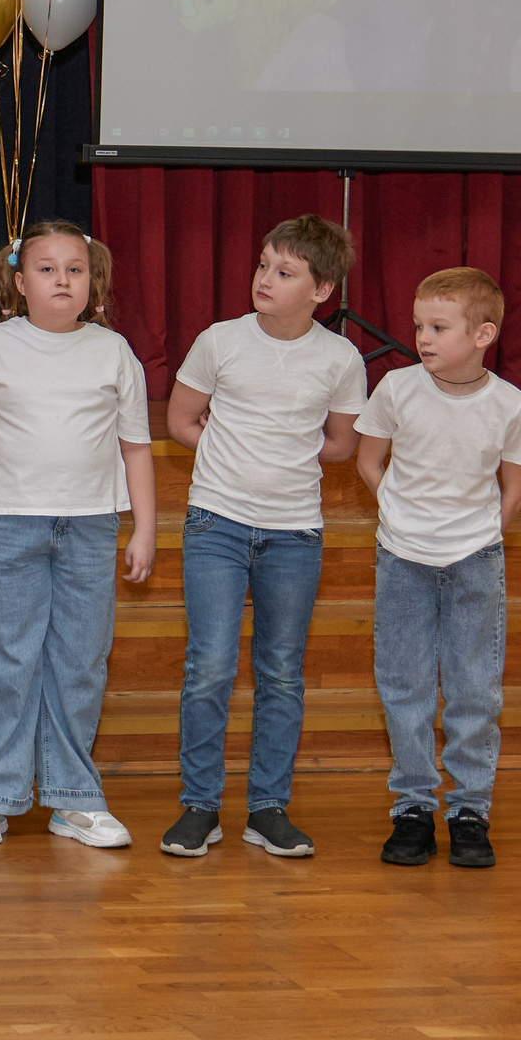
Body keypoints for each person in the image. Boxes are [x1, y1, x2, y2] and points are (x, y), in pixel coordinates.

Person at [159, 215, 366, 861]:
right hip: (215, 523)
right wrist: (230, 452)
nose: (265, 279)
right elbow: (180, 420)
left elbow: (339, 445)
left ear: (321, 289)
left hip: (294, 534)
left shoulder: (341, 358)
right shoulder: (219, 341)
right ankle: (199, 806)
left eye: (284, 271)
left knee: (280, 672)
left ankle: (268, 808)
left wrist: (281, 457)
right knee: (210, 666)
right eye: (262, 264)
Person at [0, 220, 156, 850]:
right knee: (8, 659)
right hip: (11, 524)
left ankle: (74, 798)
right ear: (19, 282)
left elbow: (136, 448)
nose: (61, 279)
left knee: (79, 663)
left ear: (92, 283)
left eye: (75, 268)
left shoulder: (112, 352)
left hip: (92, 527)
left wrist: (145, 526)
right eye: (46, 268)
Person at [355, 266, 521, 870]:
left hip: (474, 561)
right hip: (402, 556)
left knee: (472, 688)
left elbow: (515, 487)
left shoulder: (511, 404)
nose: (423, 338)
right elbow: (369, 461)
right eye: (419, 326)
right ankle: (411, 808)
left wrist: (482, 532)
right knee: (404, 684)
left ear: (483, 333)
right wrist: (400, 515)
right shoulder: (397, 389)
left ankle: (469, 811)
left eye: (438, 327)